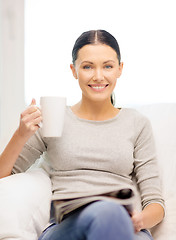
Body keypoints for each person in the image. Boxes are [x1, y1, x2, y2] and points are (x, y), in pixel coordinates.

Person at [0, 30, 164, 240]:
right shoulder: (54, 117)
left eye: (108, 66)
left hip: (123, 226)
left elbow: (155, 203)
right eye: (87, 66)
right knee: (105, 212)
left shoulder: (136, 123)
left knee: (111, 214)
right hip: (67, 227)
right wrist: (21, 134)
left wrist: (137, 221)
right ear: (74, 70)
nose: (98, 76)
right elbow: (3, 178)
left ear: (120, 69)